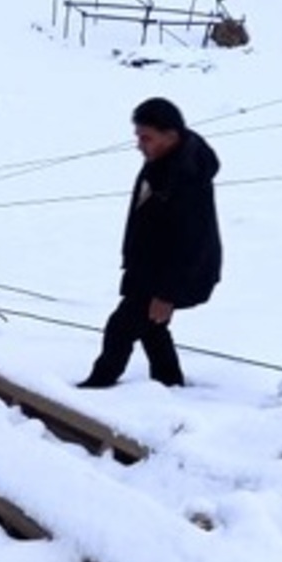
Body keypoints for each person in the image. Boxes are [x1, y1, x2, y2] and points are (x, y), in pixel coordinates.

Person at [78, 98, 222, 389]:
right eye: (138, 137)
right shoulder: (164, 160)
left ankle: (98, 387)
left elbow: (190, 243)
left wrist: (166, 295)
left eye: (146, 138)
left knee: (121, 327)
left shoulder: (185, 175)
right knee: (151, 327)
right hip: (151, 266)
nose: (140, 145)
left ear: (170, 136)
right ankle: (170, 384)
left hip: (177, 274)